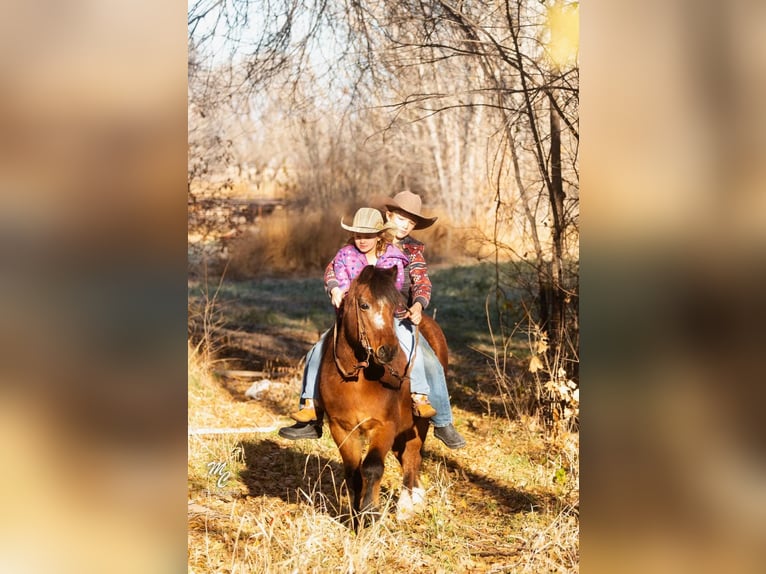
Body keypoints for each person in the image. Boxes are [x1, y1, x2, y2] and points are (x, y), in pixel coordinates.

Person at [279, 193, 466, 449]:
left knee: (428, 360)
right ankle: (311, 413)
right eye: (400, 219)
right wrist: (335, 288)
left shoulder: (405, 253)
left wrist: (418, 304)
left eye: (410, 223)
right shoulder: (352, 250)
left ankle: (442, 420)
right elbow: (333, 270)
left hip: (396, 314)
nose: (404, 226)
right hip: (358, 317)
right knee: (317, 351)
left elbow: (419, 282)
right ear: (388, 217)